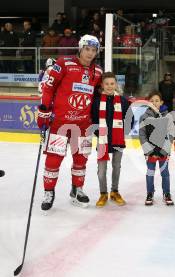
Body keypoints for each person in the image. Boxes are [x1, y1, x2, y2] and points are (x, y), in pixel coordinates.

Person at [37, 34, 103, 211]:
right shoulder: (63, 63)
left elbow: (99, 97)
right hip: (60, 123)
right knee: (53, 159)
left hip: (83, 125)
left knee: (81, 159)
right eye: (87, 49)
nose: (90, 53)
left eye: (93, 50)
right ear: (80, 49)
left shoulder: (98, 72)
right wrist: (44, 110)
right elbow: (48, 87)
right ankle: (49, 192)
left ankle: (77, 190)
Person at [92, 72, 131, 207]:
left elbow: (130, 118)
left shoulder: (123, 101)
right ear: (102, 85)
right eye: (107, 84)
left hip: (118, 139)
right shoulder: (96, 102)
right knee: (101, 170)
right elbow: (93, 120)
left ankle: (114, 191)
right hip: (103, 139)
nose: (109, 86)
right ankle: (103, 193)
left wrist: (122, 131)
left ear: (116, 85)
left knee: (116, 167)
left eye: (112, 83)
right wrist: (99, 133)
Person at [139, 91, 174, 206]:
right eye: (152, 101)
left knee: (165, 173)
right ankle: (150, 193)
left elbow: (170, 134)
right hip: (150, 152)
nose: (154, 103)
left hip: (163, 151)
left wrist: (165, 150)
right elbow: (142, 135)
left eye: (157, 100)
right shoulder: (144, 117)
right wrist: (149, 151)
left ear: (161, 102)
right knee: (150, 173)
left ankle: (167, 193)